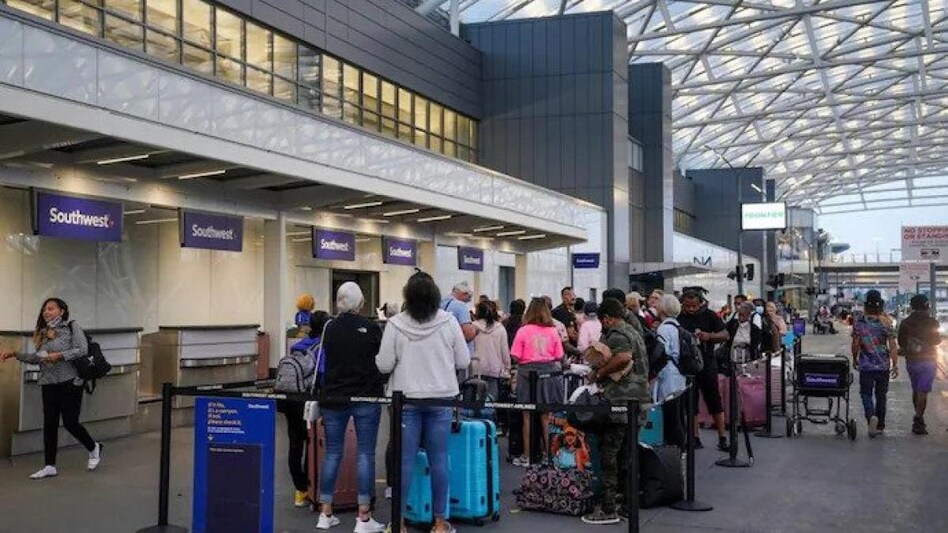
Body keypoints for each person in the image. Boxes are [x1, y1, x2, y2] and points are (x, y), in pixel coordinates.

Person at [376, 271, 470, 533]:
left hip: (405, 402)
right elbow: (463, 361)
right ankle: (440, 522)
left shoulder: (395, 324)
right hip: (441, 399)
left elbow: (383, 365)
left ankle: (399, 523)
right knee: (439, 460)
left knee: (404, 462)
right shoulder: (449, 321)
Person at [0, 298, 102, 479]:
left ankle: (94, 447)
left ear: (61, 311)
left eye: (51, 308)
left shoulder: (71, 326)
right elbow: (39, 357)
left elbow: (81, 349)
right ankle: (49, 465)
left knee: (71, 422)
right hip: (48, 383)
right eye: (44, 309)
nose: (46, 312)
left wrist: (60, 356)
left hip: (70, 381)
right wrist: (15, 354)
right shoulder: (43, 333)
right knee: (50, 424)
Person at [316, 283, 386, 532]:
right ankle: (363, 516)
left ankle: (325, 513)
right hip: (366, 396)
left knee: (333, 452)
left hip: (333, 397)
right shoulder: (371, 328)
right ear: (360, 304)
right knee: (365, 454)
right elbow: (382, 361)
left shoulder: (329, 327)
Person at [582, 297, 649, 525]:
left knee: (609, 453)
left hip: (621, 400)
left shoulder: (617, 334)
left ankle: (609, 507)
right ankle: (627, 503)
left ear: (608, 318)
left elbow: (623, 357)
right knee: (627, 454)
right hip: (638, 399)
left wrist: (598, 373)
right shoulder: (632, 329)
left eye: (603, 321)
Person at [280, 310, 330, 507]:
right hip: (308, 400)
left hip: (290, 397)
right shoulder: (322, 348)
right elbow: (323, 376)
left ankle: (299, 490)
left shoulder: (297, 346)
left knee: (294, 444)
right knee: (311, 443)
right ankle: (310, 488)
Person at [509, 298, 565, 467]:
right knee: (546, 416)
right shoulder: (553, 331)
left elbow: (515, 356)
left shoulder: (523, 331)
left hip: (527, 373)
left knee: (526, 416)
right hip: (548, 372)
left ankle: (527, 456)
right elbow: (559, 355)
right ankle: (548, 455)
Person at [677, 291, 730, 451]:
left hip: (707, 362)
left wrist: (710, 336)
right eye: (687, 306)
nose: (691, 309)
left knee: (713, 399)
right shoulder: (679, 317)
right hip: (687, 365)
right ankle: (694, 437)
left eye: (694, 306)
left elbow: (725, 334)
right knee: (690, 402)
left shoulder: (710, 315)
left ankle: (722, 437)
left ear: (700, 303)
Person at [851, 289, 898, 438]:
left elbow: (856, 343)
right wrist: (895, 364)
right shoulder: (887, 323)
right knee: (881, 395)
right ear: (881, 305)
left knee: (865, 393)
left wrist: (854, 358)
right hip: (883, 365)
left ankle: (871, 416)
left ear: (865, 305)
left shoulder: (860, 322)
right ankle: (880, 426)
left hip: (866, 365)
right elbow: (893, 345)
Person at [897, 295, 941, 435]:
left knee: (916, 389)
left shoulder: (905, 323)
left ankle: (918, 418)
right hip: (928, 360)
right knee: (923, 391)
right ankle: (918, 419)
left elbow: (901, 342)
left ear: (912, 306)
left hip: (912, 361)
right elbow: (936, 340)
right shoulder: (932, 322)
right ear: (926, 306)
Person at [654, 295, 687, 450]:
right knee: (678, 414)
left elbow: (660, 353)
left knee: (670, 416)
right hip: (679, 374)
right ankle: (681, 447)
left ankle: (675, 449)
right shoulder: (677, 327)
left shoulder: (663, 328)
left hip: (667, 375)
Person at [472, 300, 511, 400]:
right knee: (491, 401)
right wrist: (507, 367)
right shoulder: (500, 328)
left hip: (475, 368)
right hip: (494, 369)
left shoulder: (472, 327)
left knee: (474, 400)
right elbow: (504, 351)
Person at [441, 281, 477, 355]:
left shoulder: (440, 303)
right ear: (463, 294)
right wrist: (475, 330)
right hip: (460, 354)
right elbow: (469, 334)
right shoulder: (460, 306)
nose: (469, 300)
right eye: (469, 297)